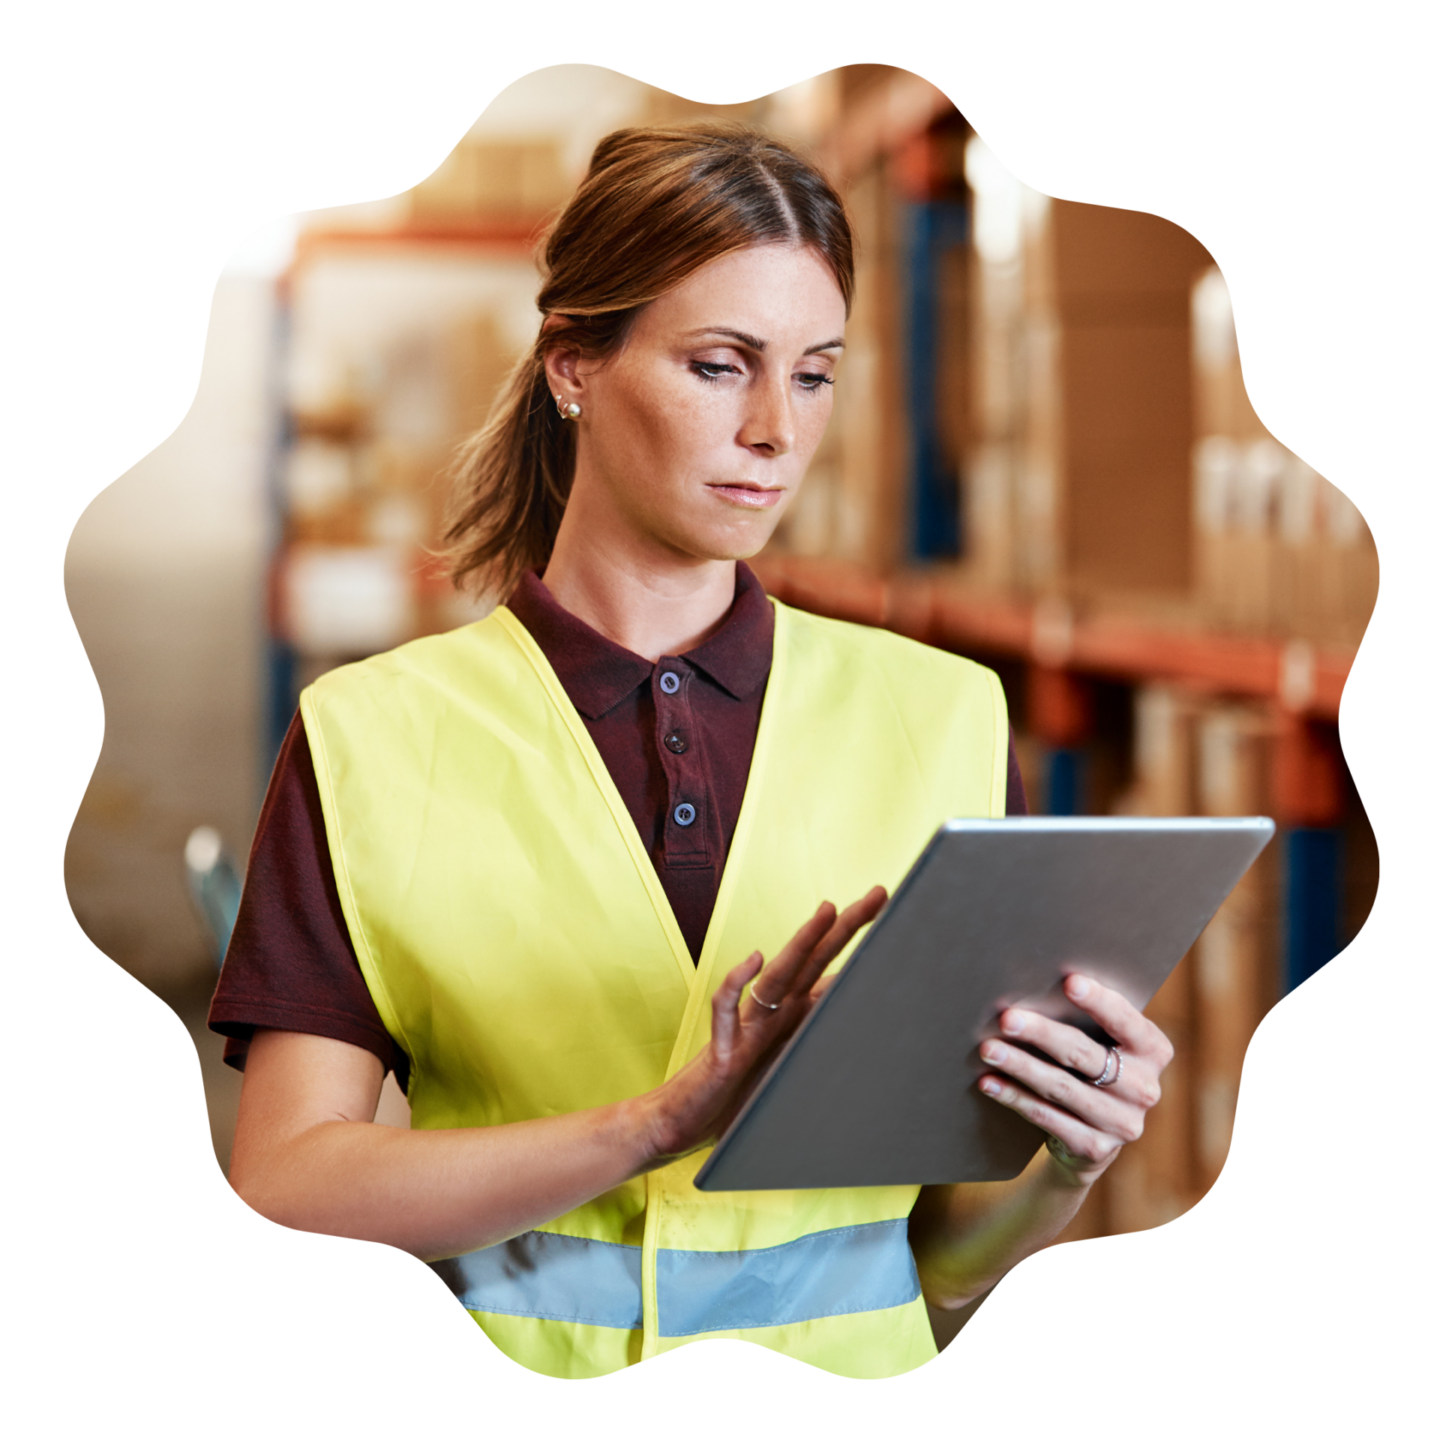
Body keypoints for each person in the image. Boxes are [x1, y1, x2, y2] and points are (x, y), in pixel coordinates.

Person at [211, 123, 1174, 1382]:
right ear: (574, 366)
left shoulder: (946, 717)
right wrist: (652, 1127)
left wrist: (1066, 1161)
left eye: (817, 374)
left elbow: (936, 1264)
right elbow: (285, 1185)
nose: (778, 429)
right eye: (723, 366)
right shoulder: (373, 738)